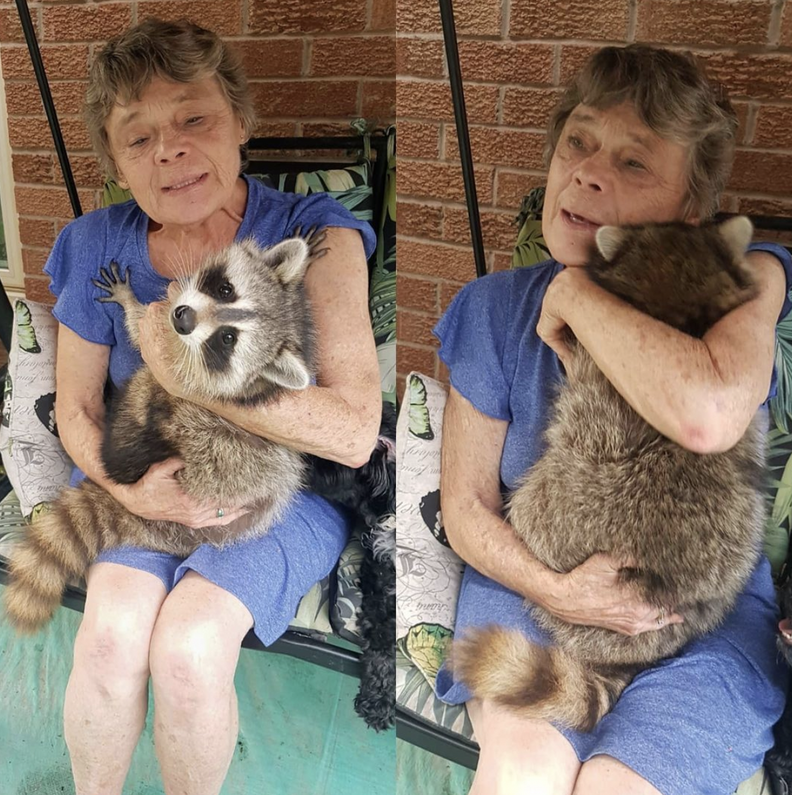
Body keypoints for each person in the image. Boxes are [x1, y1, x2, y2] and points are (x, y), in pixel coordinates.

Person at [435, 44, 792, 795]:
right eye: (579, 142)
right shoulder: (494, 306)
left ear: (689, 210)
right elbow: (467, 509)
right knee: (522, 772)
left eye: (635, 165)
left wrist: (578, 296)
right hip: (532, 587)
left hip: (704, 606)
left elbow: (710, 413)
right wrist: (559, 589)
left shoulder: (740, 276)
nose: (590, 172)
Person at [44, 18, 381, 795]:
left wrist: (186, 370)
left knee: (190, 648)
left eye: (193, 118)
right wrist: (131, 487)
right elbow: (76, 409)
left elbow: (355, 429)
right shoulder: (94, 243)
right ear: (116, 158)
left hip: (278, 490)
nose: (170, 150)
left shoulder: (313, 238)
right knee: (110, 633)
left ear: (240, 120)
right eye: (138, 137)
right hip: (137, 475)